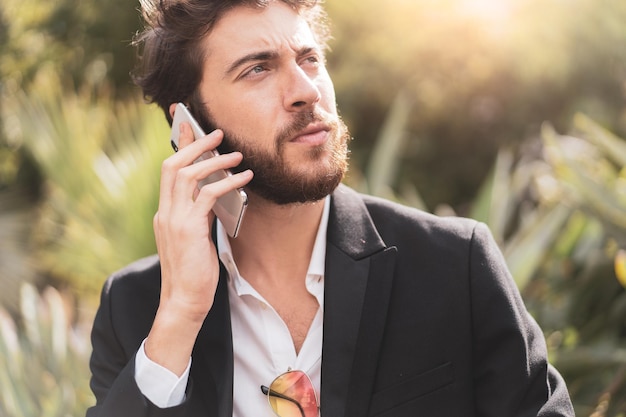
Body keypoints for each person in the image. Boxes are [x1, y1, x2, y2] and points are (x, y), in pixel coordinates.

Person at [86, 0, 575, 416]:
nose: (305, 90)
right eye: (257, 68)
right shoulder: (134, 309)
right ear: (188, 127)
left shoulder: (455, 265)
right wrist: (180, 316)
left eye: (309, 58)